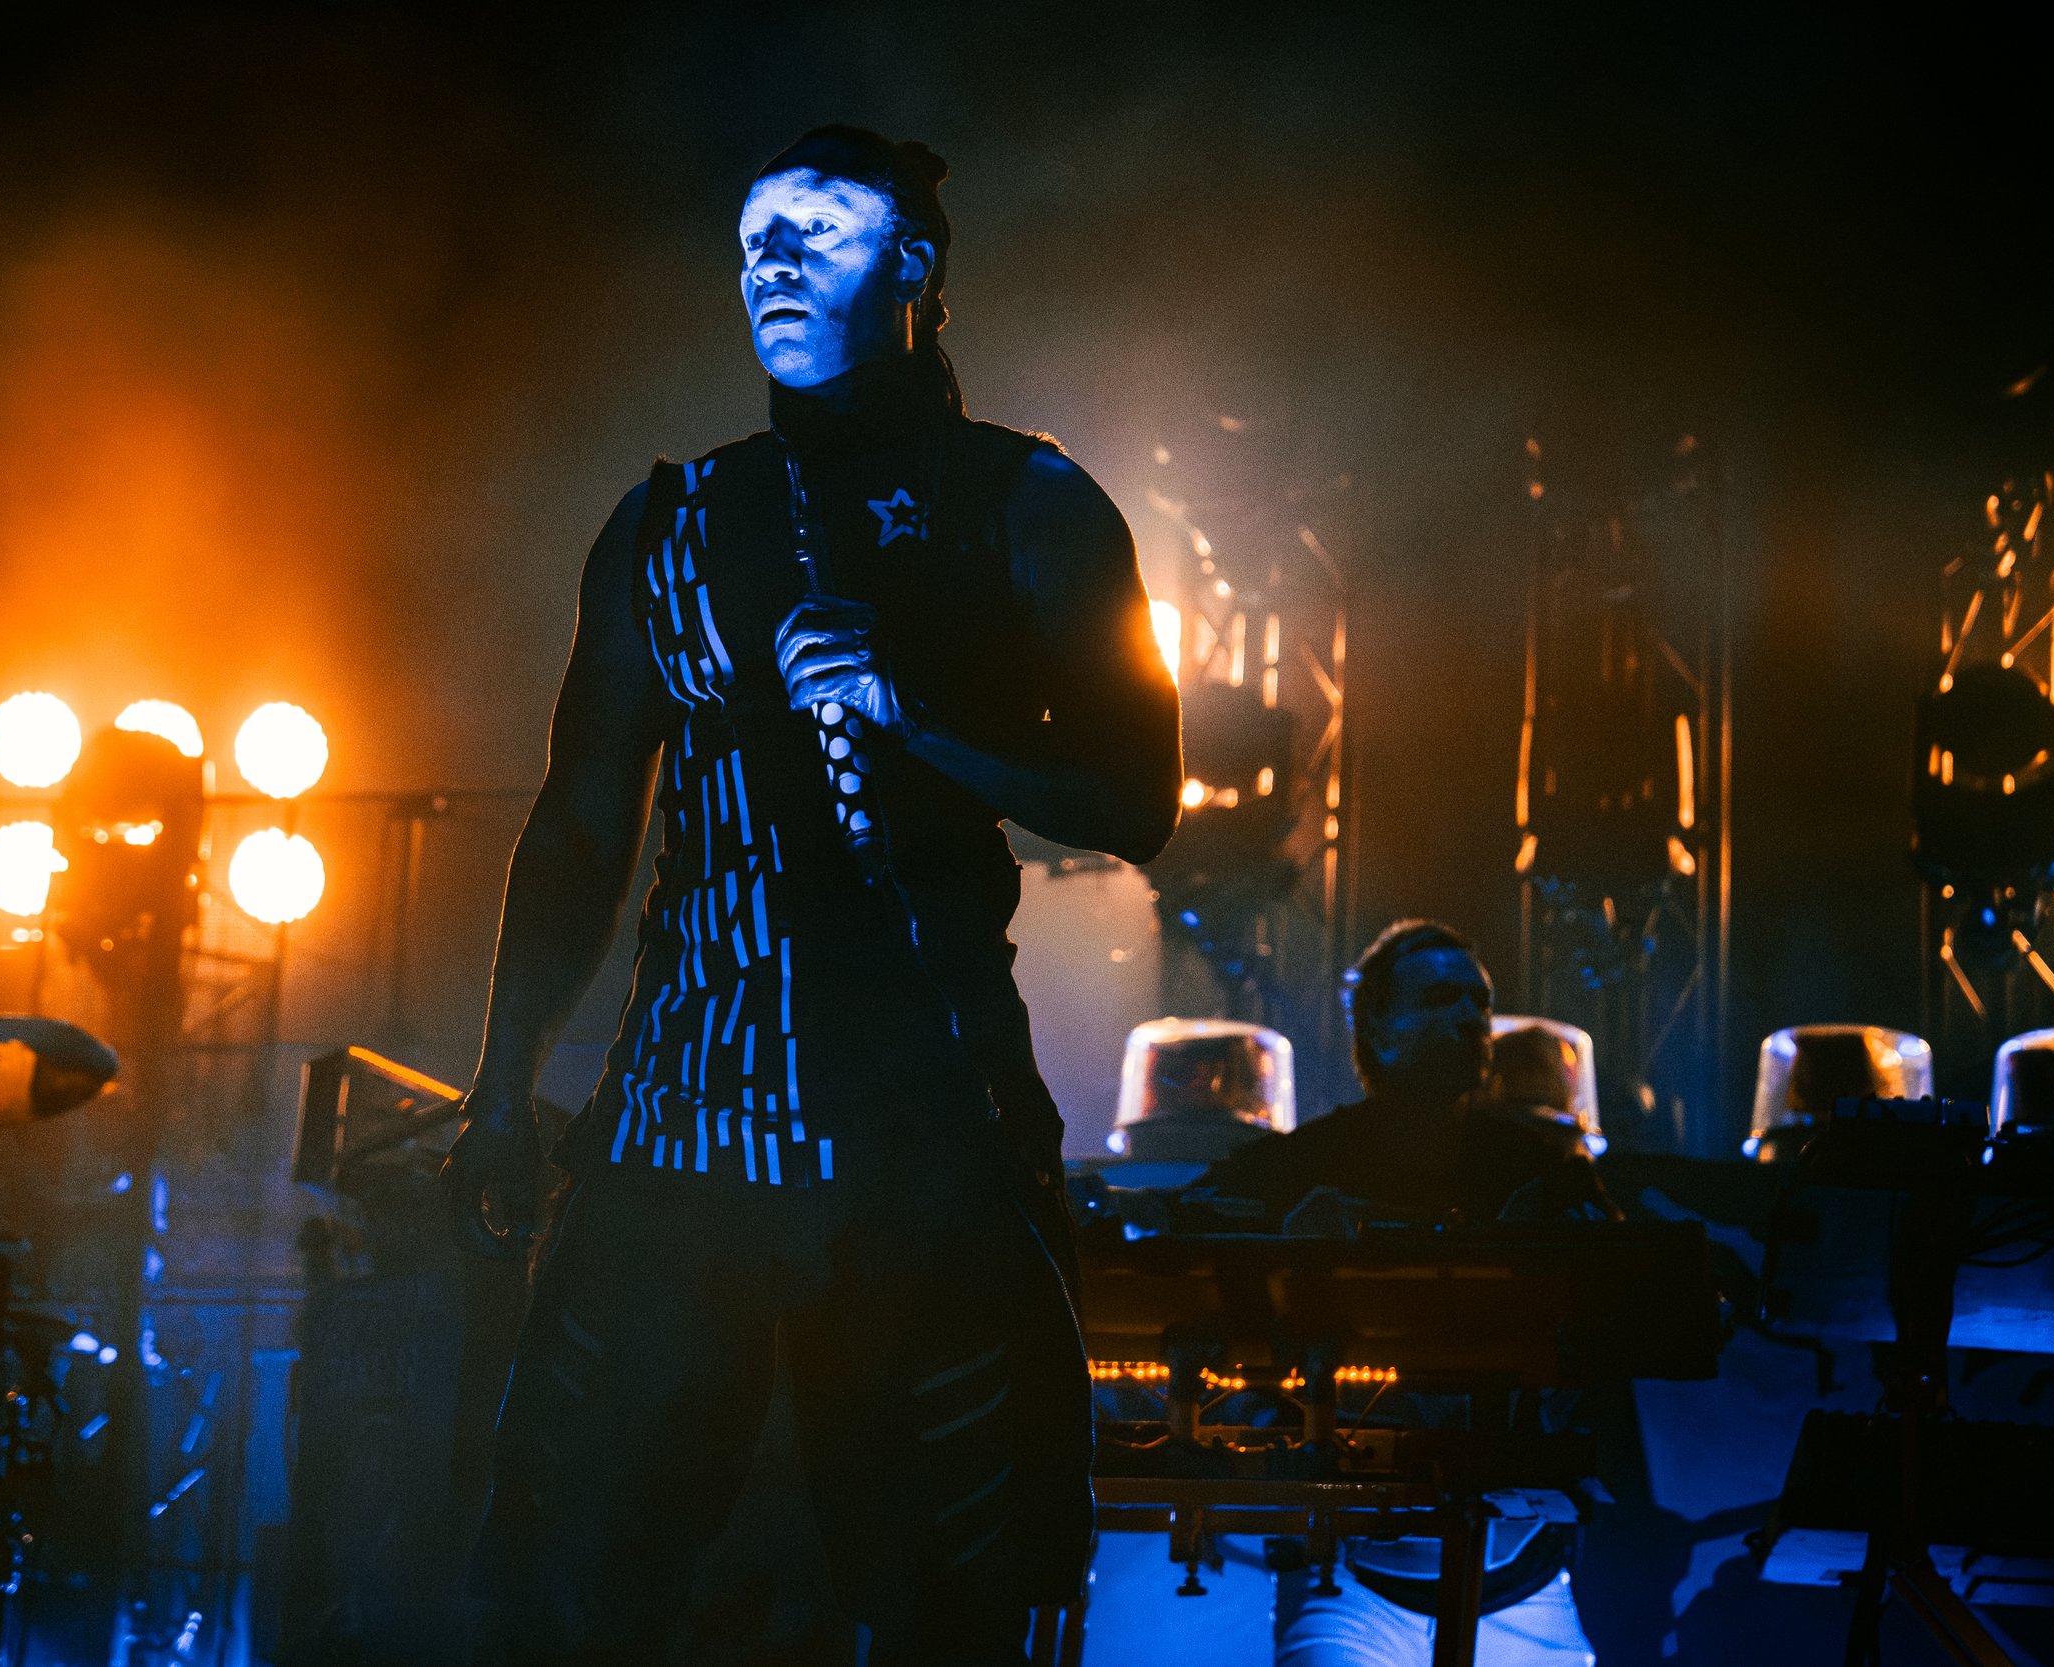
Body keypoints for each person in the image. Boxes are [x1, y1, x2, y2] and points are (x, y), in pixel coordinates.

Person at [442, 125, 1182, 1666]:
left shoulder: (1027, 504)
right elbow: (581, 826)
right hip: (677, 1129)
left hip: (921, 1129)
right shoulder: (669, 523)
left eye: (818, 229)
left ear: (914, 265)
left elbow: (1135, 796)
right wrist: (501, 1084)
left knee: (952, 1599)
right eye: (751, 233)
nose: (769, 259)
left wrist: (911, 705)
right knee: (558, 1574)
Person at [1198, 920, 1608, 1667]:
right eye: (1442, 997)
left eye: (1479, 1002)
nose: (1471, 1018)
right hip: (1347, 1585)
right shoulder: (1291, 1169)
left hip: (1523, 1583)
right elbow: (1192, 1242)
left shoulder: (1545, 1172)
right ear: (1377, 1026)